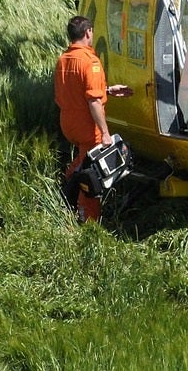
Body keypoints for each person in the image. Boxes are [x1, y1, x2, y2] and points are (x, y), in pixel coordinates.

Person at [54, 15, 132, 222]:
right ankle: (87, 218)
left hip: (68, 124)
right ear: (88, 32)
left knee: (82, 161)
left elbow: (75, 89)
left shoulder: (64, 59)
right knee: (94, 174)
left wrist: (107, 90)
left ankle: (64, 192)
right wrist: (105, 133)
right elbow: (93, 102)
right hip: (87, 127)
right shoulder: (91, 62)